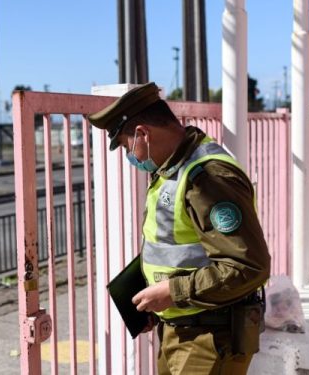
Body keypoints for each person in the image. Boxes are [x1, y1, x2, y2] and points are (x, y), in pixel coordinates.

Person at [89, 82, 271, 374]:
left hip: (210, 337)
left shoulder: (210, 178)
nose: (130, 157)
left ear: (142, 134)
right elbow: (175, 247)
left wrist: (172, 291)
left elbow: (249, 266)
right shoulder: (171, 168)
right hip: (180, 326)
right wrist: (155, 297)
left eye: (126, 147)